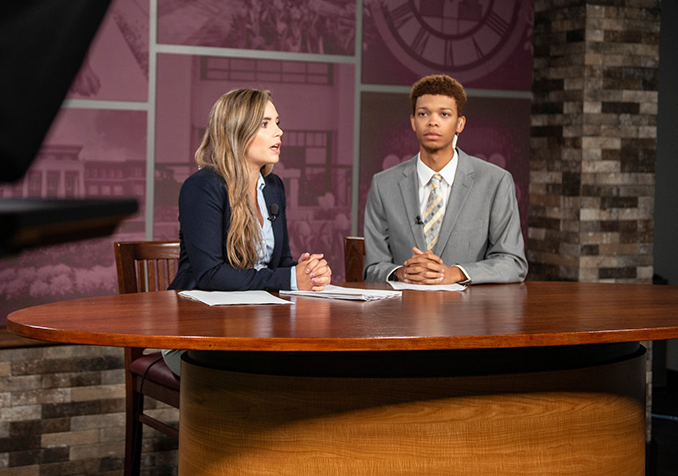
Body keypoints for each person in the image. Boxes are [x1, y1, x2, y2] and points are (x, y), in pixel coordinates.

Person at [164, 88, 331, 374]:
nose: (279, 132)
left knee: (319, 361)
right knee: (270, 373)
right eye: (266, 123)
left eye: (277, 122)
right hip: (197, 333)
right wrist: (291, 277)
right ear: (236, 130)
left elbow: (280, 264)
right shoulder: (203, 186)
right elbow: (210, 274)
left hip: (257, 326)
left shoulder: (274, 187)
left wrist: (307, 272)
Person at [363, 74, 527, 286]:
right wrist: (401, 273)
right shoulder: (383, 185)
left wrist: (457, 273)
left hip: (468, 314)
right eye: (423, 114)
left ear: (460, 123)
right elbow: (373, 268)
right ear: (413, 122)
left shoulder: (495, 182)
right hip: (401, 312)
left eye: (444, 114)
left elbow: (513, 263)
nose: (433, 121)